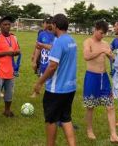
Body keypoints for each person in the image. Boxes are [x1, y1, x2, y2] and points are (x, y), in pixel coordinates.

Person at [33, 14, 77, 146]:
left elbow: (52, 66)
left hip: (56, 89)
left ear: (56, 25)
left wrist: (39, 82)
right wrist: (43, 46)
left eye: (52, 24)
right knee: (65, 118)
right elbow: (58, 50)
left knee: (51, 120)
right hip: (70, 88)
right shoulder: (71, 40)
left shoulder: (58, 42)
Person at [82, 20, 118, 143]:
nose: (103, 35)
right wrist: (101, 51)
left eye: (104, 33)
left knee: (110, 106)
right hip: (91, 77)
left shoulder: (106, 43)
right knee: (90, 106)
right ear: (95, 29)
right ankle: (89, 130)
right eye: (101, 33)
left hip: (104, 77)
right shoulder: (88, 42)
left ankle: (113, 135)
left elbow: (112, 59)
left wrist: (116, 56)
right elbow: (86, 56)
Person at [0, 16, 21, 123]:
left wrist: (15, 52)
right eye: (4, 24)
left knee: (9, 93)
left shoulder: (14, 38)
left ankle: (7, 111)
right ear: (0, 26)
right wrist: (6, 53)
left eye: (8, 24)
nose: (7, 26)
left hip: (10, 70)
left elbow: (18, 50)